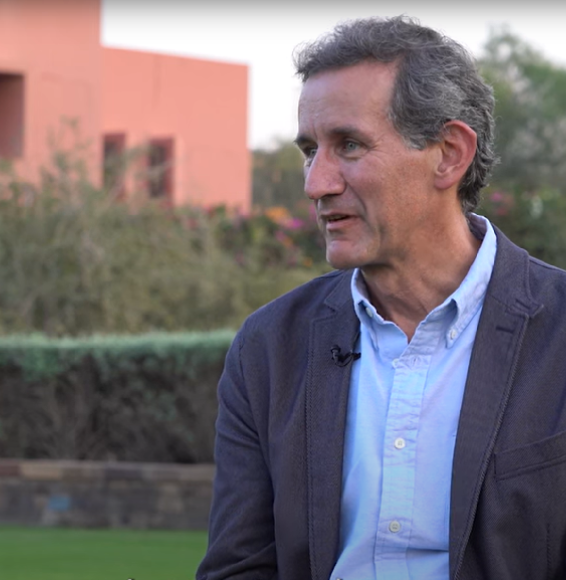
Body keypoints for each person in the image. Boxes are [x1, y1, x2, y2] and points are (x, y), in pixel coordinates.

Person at [197, 16, 566, 580]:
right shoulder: (269, 348)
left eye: (348, 145)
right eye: (308, 150)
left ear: (448, 153)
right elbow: (240, 566)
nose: (316, 183)